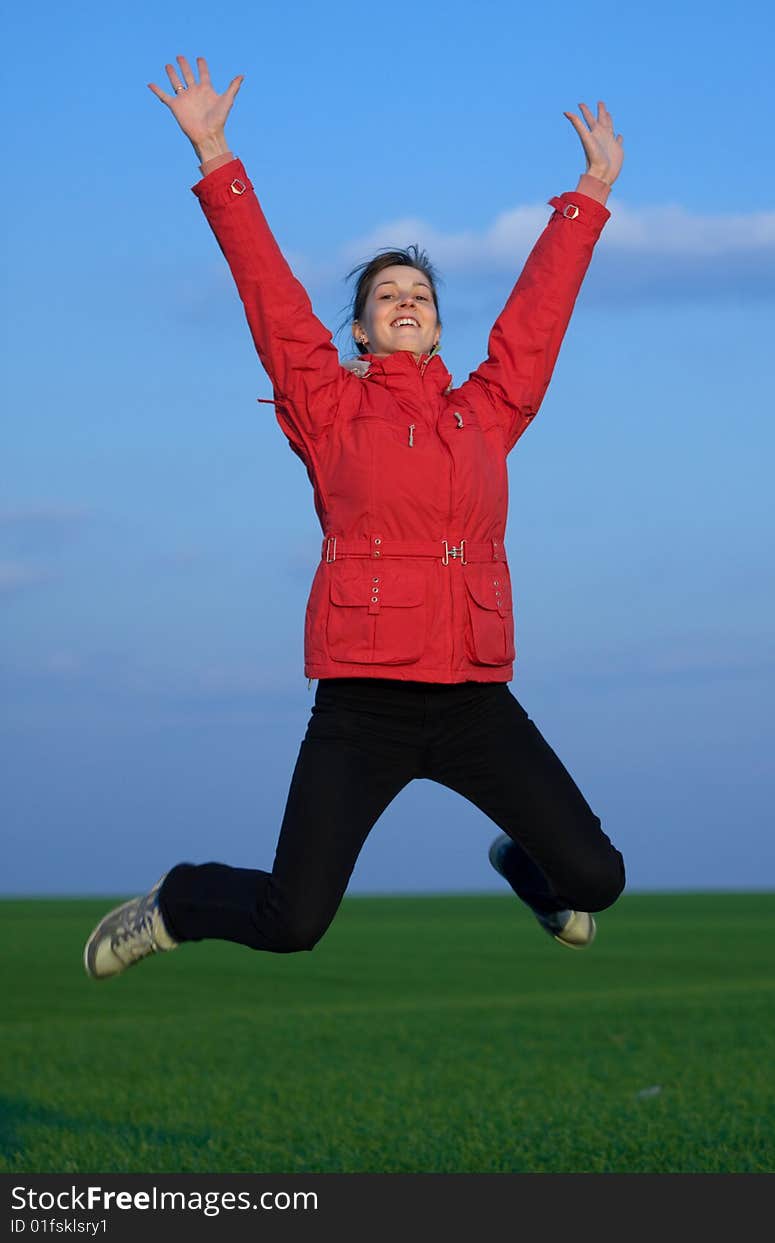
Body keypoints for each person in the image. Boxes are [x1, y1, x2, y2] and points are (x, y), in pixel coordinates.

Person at [84, 54, 627, 980]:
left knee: (597, 875)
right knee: (292, 920)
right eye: (387, 296)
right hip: (362, 703)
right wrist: (215, 152)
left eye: (419, 295)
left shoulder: (487, 412)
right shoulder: (328, 407)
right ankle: (176, 902)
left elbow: (536, 321)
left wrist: (589, 194)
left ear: (439, 327)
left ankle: (525, 868)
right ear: (362, 333)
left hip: (472, 698)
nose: (406, 302)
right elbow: (269, 297)